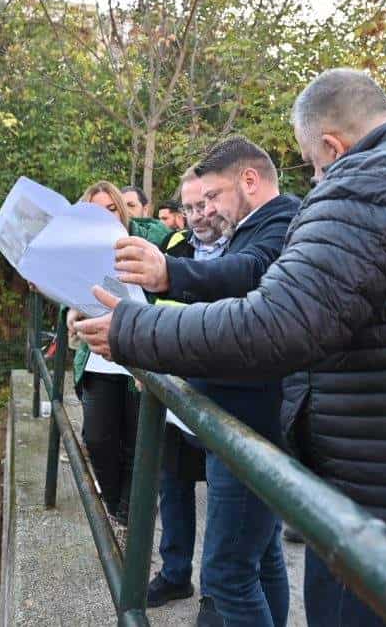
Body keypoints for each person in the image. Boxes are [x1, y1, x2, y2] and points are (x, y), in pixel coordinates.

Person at [77, 69, 386, 625]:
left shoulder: (367, 177)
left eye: (314, 164)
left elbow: (280, 322)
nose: (318, 179)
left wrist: (133, 330)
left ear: (332, 146)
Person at [118, 137, 302, 627]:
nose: (208, 209)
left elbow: (250, 272)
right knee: (261, 559)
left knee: (226, 574)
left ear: (249, 180)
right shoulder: (259, 226)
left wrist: (168, 273)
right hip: (243, 421)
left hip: (249, 424)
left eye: (214, 195)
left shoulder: (282, 221)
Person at [147, 167, 229, 612]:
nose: (198, 215)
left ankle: (216, 596)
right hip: (174, 391)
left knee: (224, 503)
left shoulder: (245, 248)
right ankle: (175, 573)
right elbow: (150, 305)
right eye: (190, 207)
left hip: (223, 400)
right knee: (173, 487)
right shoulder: (174, 246)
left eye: (205, 204)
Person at [67, 180, 171, 527]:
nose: (106, 217)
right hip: (100, 359)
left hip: (140, 357)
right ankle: (116, 509)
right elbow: (68, 288)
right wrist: (70, 310)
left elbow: (169, 261)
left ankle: (131, 518)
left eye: (112, 209)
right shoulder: (81, 249)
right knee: (97, 439)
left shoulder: (147, 237)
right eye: (97, 211)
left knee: (140, 444)